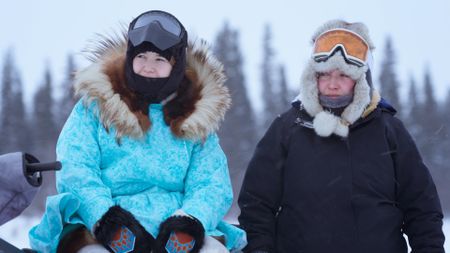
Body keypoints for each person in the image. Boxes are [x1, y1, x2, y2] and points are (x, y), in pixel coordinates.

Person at [29, 10, 246, 253]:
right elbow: (75, 168)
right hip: (101, 227)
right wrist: (106, 220)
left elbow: (211, 183)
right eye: (142, 56)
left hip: (175, 230)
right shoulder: (95, 108)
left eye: (160, 60)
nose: (148, 68)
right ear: (130, 57)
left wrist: (190, 221)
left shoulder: (195, 119)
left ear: (176, 66)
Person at [238, 20, 445, 253]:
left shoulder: (389, 130)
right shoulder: (288, 128)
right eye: (324, 75)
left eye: (343, 76)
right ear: (313, 78)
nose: (333, 84)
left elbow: (422, 208)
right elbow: (256, 205)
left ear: (360, 81)